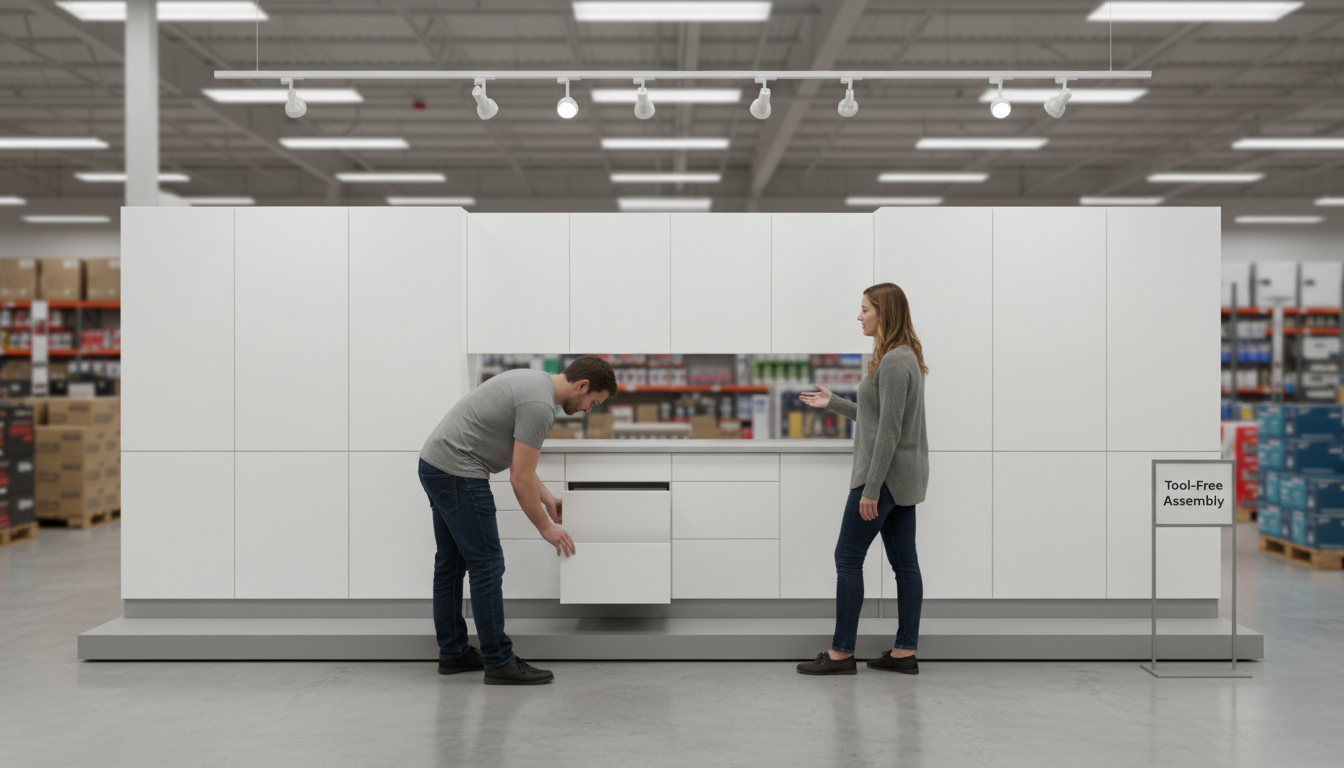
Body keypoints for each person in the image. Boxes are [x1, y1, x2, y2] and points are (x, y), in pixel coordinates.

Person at [418, 354, 617, 685]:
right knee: (488, 564)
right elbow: (519, 478)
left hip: (437, 465)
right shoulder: (540, 405)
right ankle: (499, 660)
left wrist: (548, 499)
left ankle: (453, 653)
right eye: (593, 402)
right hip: (459, 472)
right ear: (582, 386)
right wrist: (546, 527)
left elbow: (519, 464)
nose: (587, 410)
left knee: (451, 565)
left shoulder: (534, 383)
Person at [795, 282, 929, 676]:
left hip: (881, 478)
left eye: (865, 309)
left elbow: (887, 433)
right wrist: (834, 402)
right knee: (906, 565)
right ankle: (904, 653)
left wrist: (871, 490)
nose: (859, 316)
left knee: (848, 558)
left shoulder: (893, 362)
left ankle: (841, 654)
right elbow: (881, 419)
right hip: (902, 478)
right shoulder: (902, 358)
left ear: (884, 313)